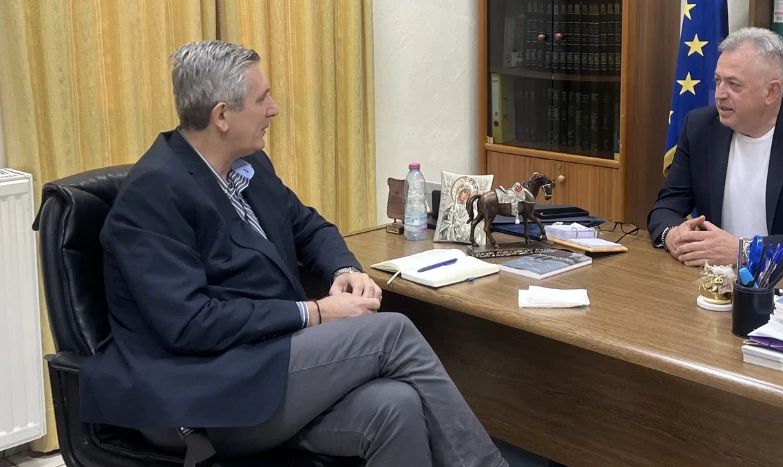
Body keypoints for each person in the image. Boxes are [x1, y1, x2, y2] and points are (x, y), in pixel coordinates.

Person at [86, 41, 506, 467]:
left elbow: (308, 226)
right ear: (222, 116)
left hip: (263, 363)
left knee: (396, 406)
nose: (274, 109)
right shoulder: (153, 194)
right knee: (391, 333)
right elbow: (191, 325)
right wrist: (316, 313)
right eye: (262, 99)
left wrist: (344, 269)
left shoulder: (249, 166)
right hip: (196, 394)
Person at [647, 27, 783, 270]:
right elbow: (666, 207)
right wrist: (672, 235)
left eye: (734, 84)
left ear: (771, 92)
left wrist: (744, 250)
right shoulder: (699, 128)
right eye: (718, 81)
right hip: (716, 277)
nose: (719, 94)